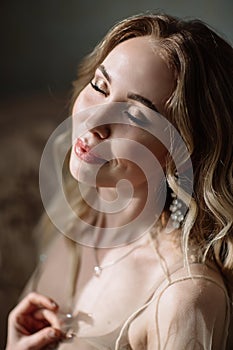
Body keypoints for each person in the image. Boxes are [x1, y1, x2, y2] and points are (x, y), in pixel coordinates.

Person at [6, 12, 233, 350]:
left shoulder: (182, 300)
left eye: (134, 114)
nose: (92, 119)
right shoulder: (76, 212)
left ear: (186, 149)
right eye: (100, 86)